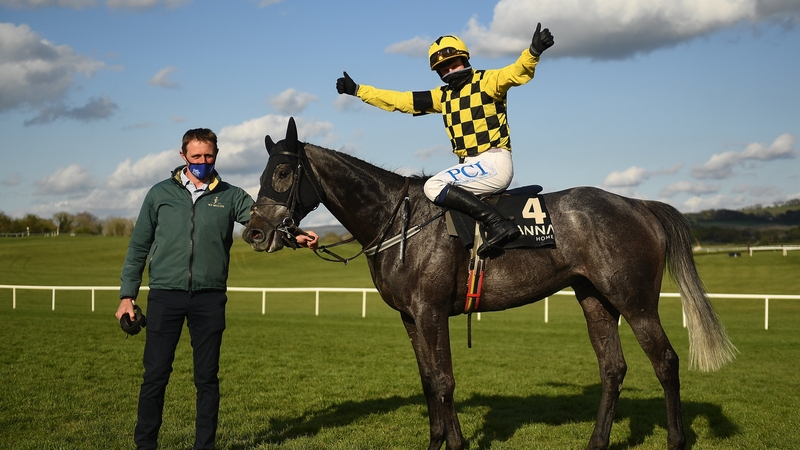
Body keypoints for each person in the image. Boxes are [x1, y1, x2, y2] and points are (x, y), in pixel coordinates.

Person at [115, 128, 318, 450]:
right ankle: (145, 445)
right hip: (165, 296)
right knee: (155, 377)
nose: (202, 162)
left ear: (216, 156)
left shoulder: (231, 195)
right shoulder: (159, 194)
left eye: (208, 156)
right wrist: (127, 297)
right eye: (196, 156)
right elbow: (138, 246)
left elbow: (263, 222)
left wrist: (296, 236)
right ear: (183, 156)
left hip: (209, 298)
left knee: (206, 380)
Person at [337, 23, 554, 257]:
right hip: (470, 166)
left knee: (433, 185)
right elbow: (401, 101)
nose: (449, 70)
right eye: (443, 68)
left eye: (454, 64)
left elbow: (516, 71)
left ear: (465, 59)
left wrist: (533, 52)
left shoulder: (488, 81)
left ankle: (499, 224)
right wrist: (359, 90)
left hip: (494, 163)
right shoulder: (442, 97)